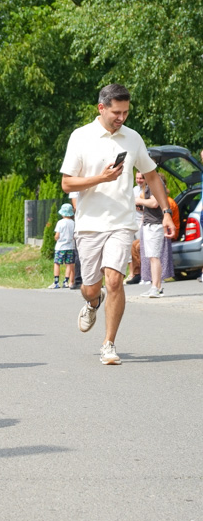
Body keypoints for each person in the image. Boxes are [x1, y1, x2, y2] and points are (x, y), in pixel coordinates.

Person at [60, 84, 175, 365]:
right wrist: (101, 178)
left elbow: (151, 176)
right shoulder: (81, 137)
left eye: (125, 112)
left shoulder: (133, 138)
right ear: (101, 108)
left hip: (122, 223)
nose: (121, 117)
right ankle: (91, 301)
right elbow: (66, 183)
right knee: (90, 287)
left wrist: (165, 212)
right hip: (88, 224)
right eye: (116, 112)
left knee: (114, 281)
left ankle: (109, 344)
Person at [137, 173, 176, 296]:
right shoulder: (149, 184)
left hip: (155, 224)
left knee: (154, 256)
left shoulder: (156, 182)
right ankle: (155, 286)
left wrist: (137, 200)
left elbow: (154, 203)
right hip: (149, 223)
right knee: (151, 257)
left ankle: (156, 287)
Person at [49, 203, 76, 289]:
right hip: (71, 247)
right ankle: (66, 281)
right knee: (69, 264)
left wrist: (56, 238)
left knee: (57, 263)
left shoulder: (60, 222)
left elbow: (57, 235)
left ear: (62, 213)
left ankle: (56, 282)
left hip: (60, 247)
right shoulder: (73, 223)